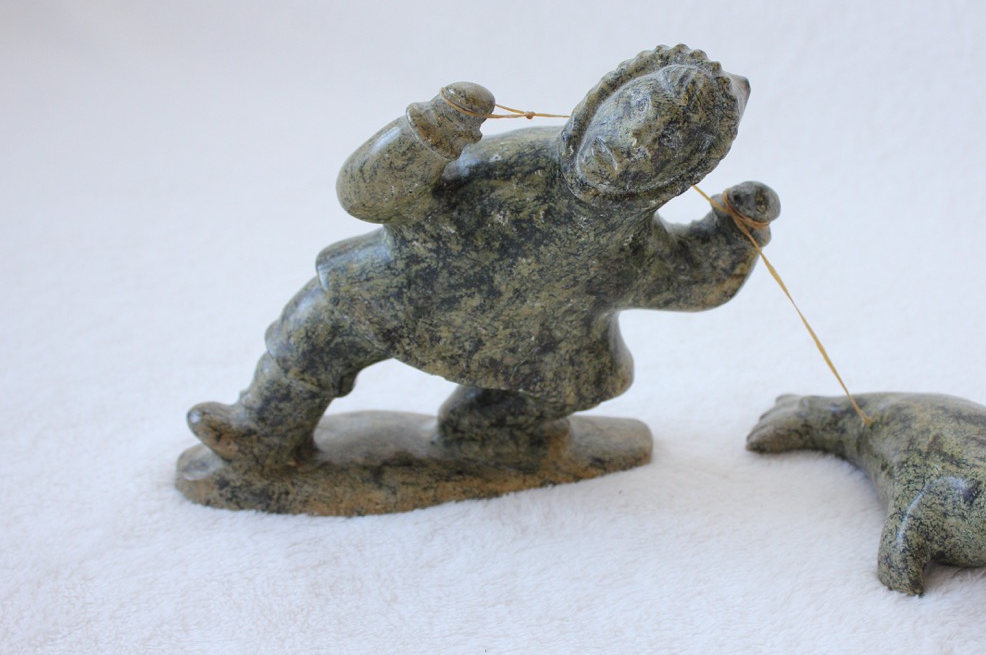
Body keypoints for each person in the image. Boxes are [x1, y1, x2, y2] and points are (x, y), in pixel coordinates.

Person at [187, 44, 781, 469]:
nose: (634, 146)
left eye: (668, 144)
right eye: (636, 114)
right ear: (604, 101)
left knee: (580, 385)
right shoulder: (511, 164)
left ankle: (482, 432)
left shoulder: (632, 242)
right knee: (315, 328)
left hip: (539, 348)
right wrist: (428, 136)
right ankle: (262, 429)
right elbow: (366, 195)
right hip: (405, 291)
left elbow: (692, 280)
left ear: (685, 172)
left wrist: (733, 234)